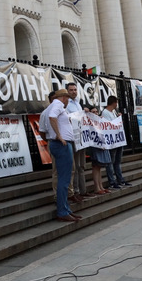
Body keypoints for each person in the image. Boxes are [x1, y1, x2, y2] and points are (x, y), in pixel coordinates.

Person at [47, 88, 82, 222]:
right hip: (61, 144)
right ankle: (62, 210)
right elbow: (52, 117)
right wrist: (59, 136)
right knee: (64, 179)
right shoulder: (58, 105)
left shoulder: (55, 106)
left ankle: (65, 209)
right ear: (63, 97)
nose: (68, 100)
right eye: (67, 97)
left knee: (65, 179)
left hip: (61, 143)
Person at [65, 83, 91, 198]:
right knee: (75, 167)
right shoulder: (66, 105)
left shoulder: (78, 103)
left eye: (75, 90)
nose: (74, 92)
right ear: (67, 91)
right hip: (73, 138)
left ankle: (83, 190)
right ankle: (75, 190)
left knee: (81, 166)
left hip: (81, 138)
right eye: (71, 90)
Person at [101, 96, 130, 189]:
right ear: (113, 103)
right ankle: (112, 181)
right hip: (112, 141)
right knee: (111, 162)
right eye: (116, 103)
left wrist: (118, 118)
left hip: (118, 140)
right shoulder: (105, 112)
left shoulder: (113, 112)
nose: (117, 105)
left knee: (117, 161)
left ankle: (120, 179)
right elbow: (109, 125)